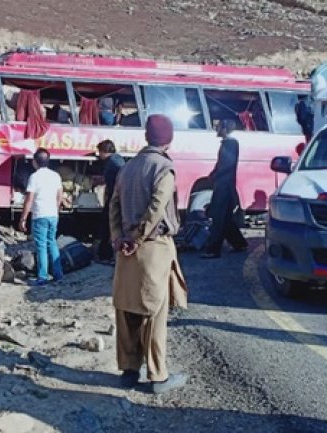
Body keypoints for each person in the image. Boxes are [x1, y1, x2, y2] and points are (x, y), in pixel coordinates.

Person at [109, 114, 188, 394]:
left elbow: (114, 205)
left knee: (126, 311)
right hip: (152, 248)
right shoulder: (163, 168)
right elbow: (157, 208)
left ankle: (128, 371)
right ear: (169, 138)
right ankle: (158, 377)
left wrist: (119, 238)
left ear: (146, 136)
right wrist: (137, 237)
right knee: (154, 314)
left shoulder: (127, 168)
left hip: (125, 252)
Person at [201, 119, 248, 259]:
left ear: (225, 129)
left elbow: (227, 164)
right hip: (223, 183)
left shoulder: (231, 143)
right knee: (226, 218)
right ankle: (239, 243)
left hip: (224, 185)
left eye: (219, 127)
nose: (217, 129)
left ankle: (213, 249)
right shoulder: (227, 143)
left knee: (219, 218)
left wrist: (216, 174)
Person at [18, 149, 64, 286]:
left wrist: (23, 218)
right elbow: (59, 195)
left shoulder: (34, 177)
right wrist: (55, 209)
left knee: (41, 247)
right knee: (52, 243)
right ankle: (58, 274)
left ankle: (42, 277)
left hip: (40, 215)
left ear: (34, 162)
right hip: (53, 215)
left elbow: (29, 199)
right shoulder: (56, 176)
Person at [96, 139, 125, 262]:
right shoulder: (119, 159)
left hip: (115, 198)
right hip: (122, 197)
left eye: (99, 152)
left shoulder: (110, 163)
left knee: (107, 226)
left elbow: (109, 184)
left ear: (104, 151)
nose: (99, 155)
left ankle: (105, 254)